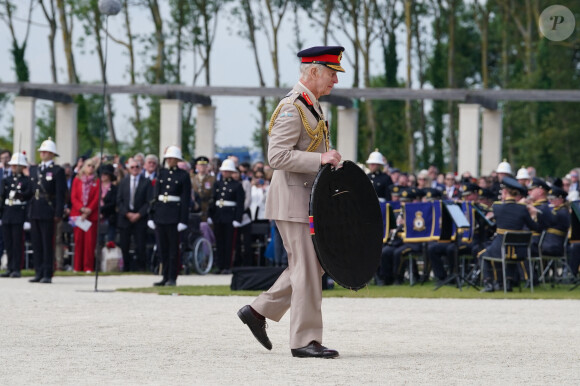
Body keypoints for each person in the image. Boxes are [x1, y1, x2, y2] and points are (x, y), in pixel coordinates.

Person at [237, 45, 344, 359]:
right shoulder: (291, 106)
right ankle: (304, 340)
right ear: (313, 71)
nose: (335, 81)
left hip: (307, 201)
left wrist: (328, 162)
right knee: (308, 269)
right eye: (331, 74)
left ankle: (257, 312)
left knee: (313, 266)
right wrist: (321, 158)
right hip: (292, 201)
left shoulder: (313, 106)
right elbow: (277, 156)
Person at [480, 177, 539, 292]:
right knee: (510, 251)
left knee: (482, 255)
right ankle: (508, 282)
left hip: (500, 248)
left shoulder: (497, 207)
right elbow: (535, 227)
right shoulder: (522, 209)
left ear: (505, 192)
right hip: (520, 251)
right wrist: (534, 215)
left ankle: (489, 283)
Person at [149, 146, 191, 286]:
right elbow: (155, 196)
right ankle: (165, 276)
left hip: (174, 215)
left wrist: (183, 220)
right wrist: (151, 215)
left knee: (173, 249)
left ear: (177, 159)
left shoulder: (183, 176)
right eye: (168, 158)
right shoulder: (161, 173)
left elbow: (185, 200)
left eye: (172, 158)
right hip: (161, 213)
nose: (169, 160)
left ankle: (172, 277)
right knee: (162, 248)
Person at [28, 139, 67, 283]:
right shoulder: (34, 169)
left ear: (51, 154)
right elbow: (31, 190)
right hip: (35, 208)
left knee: (47, 243)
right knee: (36, 243)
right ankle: (38, 271)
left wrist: (58, 213)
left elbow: (60, 194)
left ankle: (47, 272)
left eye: (45, 152)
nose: (42, 154)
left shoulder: (58, 171)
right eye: (41, 152)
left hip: (48, 209)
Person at [207, 158, 245, 273]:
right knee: (219, 242)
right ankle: (220, 265)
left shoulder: (237, 185)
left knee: (229, 242)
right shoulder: (217, 184)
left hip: (230, 216)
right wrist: (210, 215)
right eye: (223, 171)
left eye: (227, 171)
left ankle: (228, 266)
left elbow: (240, 204)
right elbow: (213, 200)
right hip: (219, 216)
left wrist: (237, 218)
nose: (225, 173)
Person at [0, 153, 32, 278]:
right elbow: (2, 198)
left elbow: (28, 197)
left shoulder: (26, 181)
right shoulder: (6, 180)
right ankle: (9, 267)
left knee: (17, 243)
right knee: (8, 243)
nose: (14, 167)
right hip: (7, 213)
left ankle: (16, 268)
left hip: (19, 214)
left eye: (16, 165)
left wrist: (26, 219)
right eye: (13, 165)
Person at [117, 159, 152, 271]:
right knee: (124, 244)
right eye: (132, 167)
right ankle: (126, 266)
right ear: (128, 169)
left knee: (140, 244)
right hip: (125, 218)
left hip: (140, 218)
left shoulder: (146, 182)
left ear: (141, 168)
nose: (135, 169)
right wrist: (127, 213)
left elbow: (149, 201)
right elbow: (119, 200)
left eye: (137, 167)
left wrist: (139, 214)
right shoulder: (123, 182)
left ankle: (141, 266)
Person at [70, 158, 100, 273]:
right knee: (78, 241)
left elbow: (97, 197)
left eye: (93, 166)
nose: (90, 168)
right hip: (77, 215)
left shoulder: (97, 181)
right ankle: (77, 266)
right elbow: (73, 197)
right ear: (84, 167)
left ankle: (88, 266)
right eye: (88, 165)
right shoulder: (77, 180)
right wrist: (81, 208)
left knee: (89, 242)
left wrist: (88, 210)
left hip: (91, 216)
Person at [99, 164, 118, 244]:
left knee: (109, 242)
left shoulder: (115, 188)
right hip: (97, 218)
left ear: (110, 175)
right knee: (98, 242)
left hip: (109, 218)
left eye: (105, 174)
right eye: (101, 173)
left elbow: (113, 202)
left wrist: (102, 210)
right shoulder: (96, 187)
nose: (103, 175)